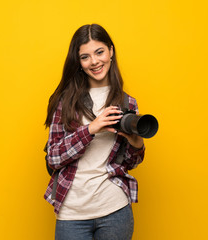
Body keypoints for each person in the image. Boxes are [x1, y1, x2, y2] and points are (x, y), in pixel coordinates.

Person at [44, 24, 145, 240]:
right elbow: (53, 158)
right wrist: (91, 129)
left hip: (115, 209)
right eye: (85, 57)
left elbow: (130, 163)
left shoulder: (127, 103)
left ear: (111, 52)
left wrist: (136, 142)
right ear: (78, 62)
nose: (95, 62)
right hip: (72, 212)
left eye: (99, 52)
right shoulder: (66, 102)